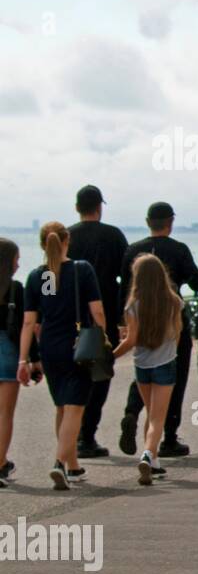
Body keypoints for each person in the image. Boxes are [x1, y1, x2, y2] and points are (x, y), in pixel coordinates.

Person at [118, 202, 198, 458]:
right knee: (173, 377)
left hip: (139, 317)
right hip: (172, 319)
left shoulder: (133, 251)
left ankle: (131, 412)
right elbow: (196, 283)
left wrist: (122, 324)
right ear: (170, 222)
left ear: (148, 222)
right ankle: (169, 437)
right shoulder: (178, 249)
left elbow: (123, 288)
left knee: (144, 370)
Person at [19, 222, 108, 490]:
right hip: (78, 346)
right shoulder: (82, 270)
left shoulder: (41, 276)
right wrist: (103, 336)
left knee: (62, 407)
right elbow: (97, 311)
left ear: (42, 244)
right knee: (75, 408)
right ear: (67, 239)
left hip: (50, 347)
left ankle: (73, 466)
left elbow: (30, 322)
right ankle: (59, 462)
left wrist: (24, 358)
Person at [67, 184, 127, 459]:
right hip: (105, 314)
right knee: (100, 373)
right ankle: (87, 434)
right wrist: (126, 313)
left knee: (73, 374)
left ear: (77, 207)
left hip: (68, 316)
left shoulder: (65, 236)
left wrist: (44, 308)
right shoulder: (113, 235)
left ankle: (70, 434)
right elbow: (127, 274)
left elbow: (48, 276)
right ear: (99, 207)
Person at [113, 254, 182, 486]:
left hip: (141, 364)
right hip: (165, 362)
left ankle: (154, 461)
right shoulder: (173, 301)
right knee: (157, 418)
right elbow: (178, 332)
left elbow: (131, 339)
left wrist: (111, 356)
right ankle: (148, 454)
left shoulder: (133, 305)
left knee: (151, 413)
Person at [0, 238, 38, 489]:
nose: (18, 264)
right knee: (5, 414)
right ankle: (0, 461)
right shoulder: (16, 289)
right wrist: (31, 359)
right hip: (8, 351)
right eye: (16, 259)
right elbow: (28, 325)